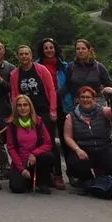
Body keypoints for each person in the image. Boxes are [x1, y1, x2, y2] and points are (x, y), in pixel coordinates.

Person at [9, 44, 58, 182]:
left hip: (43, 110)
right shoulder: (14, 74)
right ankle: (25, 168)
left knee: (49, 143)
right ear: (18, 56)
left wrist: (53, 110)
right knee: (25, 141)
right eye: (21, 54)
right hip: (24, 111)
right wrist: (15, 113)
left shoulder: (41, 70)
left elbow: (51, 90)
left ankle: (54, 173)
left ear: (31, 55)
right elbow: (14, 94)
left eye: (26, 54)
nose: (24, 56)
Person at [63, 85, 112, 192]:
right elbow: (67, 137)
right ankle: (87, 180)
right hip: (84, 148)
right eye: (83, 97)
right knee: (74, 163)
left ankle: (107, 180)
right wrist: (78, 150)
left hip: (104, 147)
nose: (85, 100)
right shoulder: (71, 116)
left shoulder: (103, 111)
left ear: (94, 99)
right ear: (78, 99)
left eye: (88, 97)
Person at [35, 37, 71, 190]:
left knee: (66, 140)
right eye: (46, 48)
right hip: (44, 107)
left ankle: (72, 173)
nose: (49, 50)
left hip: (63, 106)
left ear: (55, 49)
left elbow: (69, 84)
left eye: (51, 47)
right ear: (42, 51)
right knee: (48, 141)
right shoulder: (36, 66)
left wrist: (56, 96)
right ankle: (54, 174)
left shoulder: (64, 66)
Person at [6, 94, 54, 194]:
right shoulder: (12, 124)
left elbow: (48, 143)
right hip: (21, 161)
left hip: (36, 160)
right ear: (16, 108)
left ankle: (42, 182)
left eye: (25, 105)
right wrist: (22, 169)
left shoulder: (38, 121)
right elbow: (11, 148)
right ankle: (29, 179)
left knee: (47, 156)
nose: (22, 108)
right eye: (19, 105)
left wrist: (34, 153)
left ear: (30, 106)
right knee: (17, 188)